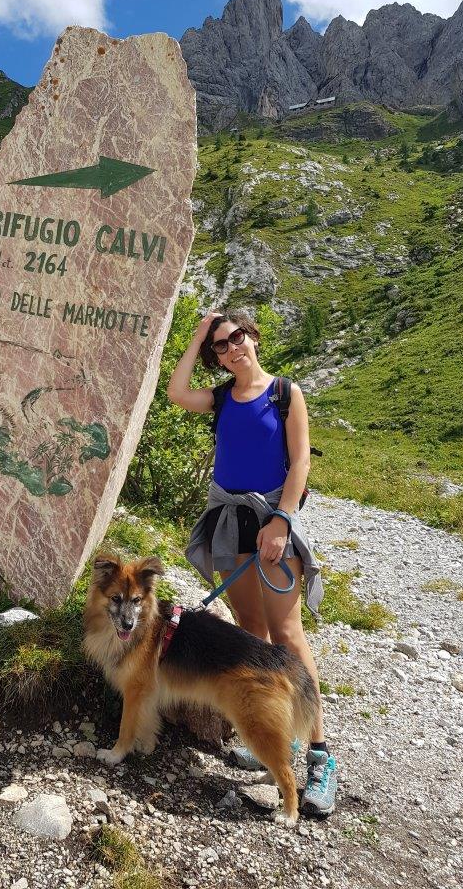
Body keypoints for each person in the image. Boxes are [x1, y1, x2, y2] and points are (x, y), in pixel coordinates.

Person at [166, 308, 338, 817]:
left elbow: (300, 460)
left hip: (272, 520)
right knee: (250, 629)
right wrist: (198, 333)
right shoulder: (220, 397)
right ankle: (274, 737)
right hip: (229, 520)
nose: (231, 348)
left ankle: (320, 754)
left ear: (253, 337)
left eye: (236, 337)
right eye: (220, 345)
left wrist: (282, 522)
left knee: (287, 634)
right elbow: (176, 393)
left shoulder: (285, 393)